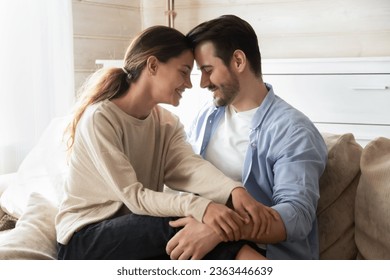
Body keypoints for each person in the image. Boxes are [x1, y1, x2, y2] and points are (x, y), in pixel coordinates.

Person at [55, 25, 276, 260]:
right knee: (181, 226)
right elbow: (135, 197)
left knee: (217, 229)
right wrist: (200, 207)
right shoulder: (100, 118)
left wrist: (234, 191)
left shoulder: (166, 123)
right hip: (84, 240)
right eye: (183, 72)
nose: (189, 84)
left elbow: (190, 168)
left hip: (134, 233)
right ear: (152, 65)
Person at [166, 15, 328, 260]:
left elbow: (297, 215)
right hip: (198, 240)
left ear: (238, 61)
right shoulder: (207, 115)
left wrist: (220, 229)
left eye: (208, 70)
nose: (203, 83)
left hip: (257, 254)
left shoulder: (293, 130)